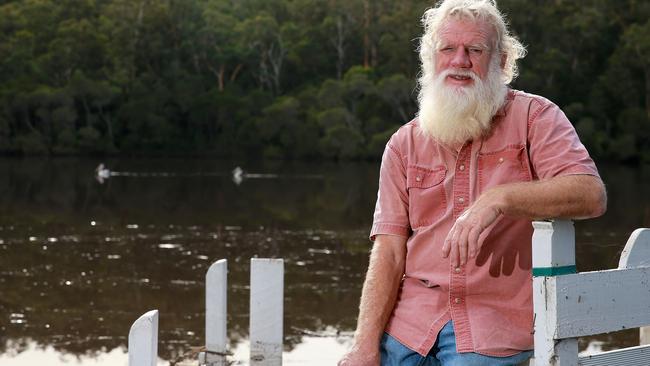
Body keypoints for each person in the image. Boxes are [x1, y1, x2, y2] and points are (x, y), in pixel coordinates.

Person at [338, 0, 607, 365]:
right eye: (448, 49)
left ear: (501, 62)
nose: (460, 60)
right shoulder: (404, 144)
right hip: (409, 326)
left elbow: (590, 194)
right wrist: (364, 344)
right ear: (430, 60)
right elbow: (388, 251)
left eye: (475, 50)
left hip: (492, 326)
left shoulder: (535, 118)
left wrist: (499, 199)